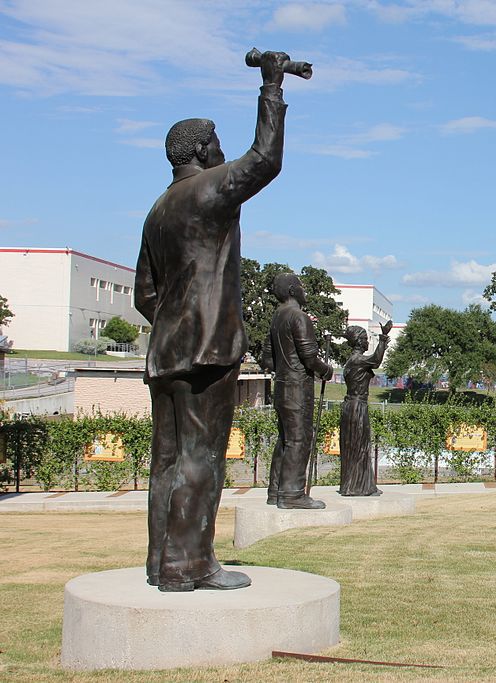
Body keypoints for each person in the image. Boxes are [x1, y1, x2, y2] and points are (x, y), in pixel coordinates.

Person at [134, 51, 292, 591]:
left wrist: (175, 324)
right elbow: (265, 159)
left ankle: (161, 560)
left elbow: (144, 294)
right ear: (203, 149)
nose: (222, 149)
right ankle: (189, 564)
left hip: (166, 352)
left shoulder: (158, 210)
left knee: (167, 460)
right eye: (216, 141)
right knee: (201, 457)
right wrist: (271, 83)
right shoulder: (209, 191)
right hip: (206, 350)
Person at [260, 273, 333, 509]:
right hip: (297, 387)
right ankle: (292, 494)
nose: (304, 291)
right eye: (301, 287)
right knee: (299, 439)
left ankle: (276, 491)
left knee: (285, 439)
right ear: (292, 290)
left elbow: (267, 360)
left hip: (280, 386)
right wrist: (326, 370)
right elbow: (309, 356)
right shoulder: (299, 317)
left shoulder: (276, 318)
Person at [339, 322, 391, 496]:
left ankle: (359, 485)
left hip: (352, 405)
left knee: (357, 445)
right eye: (365, 339)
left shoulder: (352, 360)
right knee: (358, 446)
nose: (367, 342)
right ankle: (357, 487)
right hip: (356, 406)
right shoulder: (357, 360)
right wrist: (383, 338)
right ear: (359, 342)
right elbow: (376, 361)